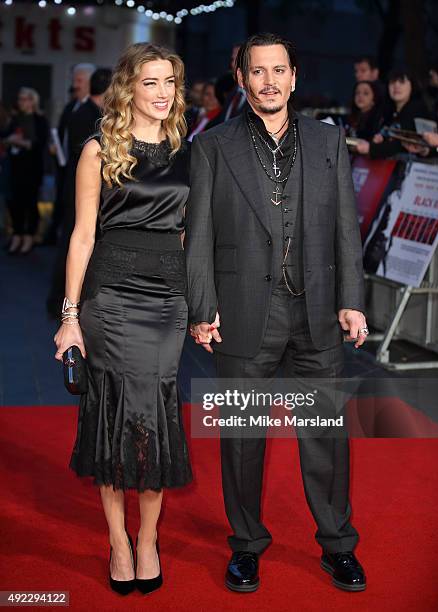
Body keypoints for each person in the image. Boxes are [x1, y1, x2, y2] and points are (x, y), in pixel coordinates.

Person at [185, 32, 369, 594]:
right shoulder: (213, 147)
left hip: (316, 312)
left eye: (278, 70)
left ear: (294, 77)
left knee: (326, 435)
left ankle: (337, 545)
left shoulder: (328, 141)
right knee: (242, 437)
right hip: (242, 315)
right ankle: (245, 547)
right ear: (242, 79)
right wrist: (202, 307)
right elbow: (199, 237)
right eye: (257, 71)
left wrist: (352, 301)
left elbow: (345, 228)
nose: (269, 81)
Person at [53, 43, 192, 596]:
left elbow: (189, 233)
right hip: (110, 298)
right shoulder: (99, 149)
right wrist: (70, 317)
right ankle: (118, 541)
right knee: (114, 417)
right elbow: (83, 236)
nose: (163, 93)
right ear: (128, 88)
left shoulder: (189, 151)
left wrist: (198, 300)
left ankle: (149, 538)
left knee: (153, 419)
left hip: (167, 303)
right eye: (152, 82)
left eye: (171, 83)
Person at [47, 68, 112, 318]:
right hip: (80, 190)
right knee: (75, 242)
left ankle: (61, 301)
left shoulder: (79, 109)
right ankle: (64, 302)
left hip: (74, 187)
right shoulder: (88, 115)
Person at [45, 63, 96, 245]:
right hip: (64, 167)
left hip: (79, 169)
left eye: (80, 80)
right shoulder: (71, 106)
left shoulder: (93, 110)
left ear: (91, 82)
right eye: (74, 80)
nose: (75, 84)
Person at [3, 87, 48, 254]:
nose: (20, 102)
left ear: (32, 101)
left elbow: (38, 144)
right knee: (14, 203)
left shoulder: (39, 120)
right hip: (14, 167)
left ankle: (29, 236)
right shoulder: (15, 119)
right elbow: (5, 137)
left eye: (24, 99)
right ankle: (17, 234)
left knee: (30, 203)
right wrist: (11, 140)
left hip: (32, 169)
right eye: (19, 99)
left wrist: (19, 142)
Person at [355, 68, 433, 158]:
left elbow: (401, 144)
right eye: (392, 82)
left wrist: (371, 148)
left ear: (412, 85)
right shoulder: (388, 110)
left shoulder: (417, 109)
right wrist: (380, 139)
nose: (396, 86)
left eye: (401, 82)